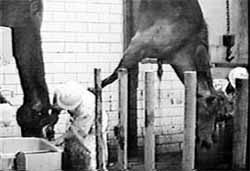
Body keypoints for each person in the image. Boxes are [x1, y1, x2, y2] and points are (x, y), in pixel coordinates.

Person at [53, 81, 108, 171]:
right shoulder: (67, 90)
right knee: (72, 144)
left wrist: (61, 138)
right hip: (79, 119)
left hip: (95, 124)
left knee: (89, 150)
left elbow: (80, 131)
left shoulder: (86, 109)